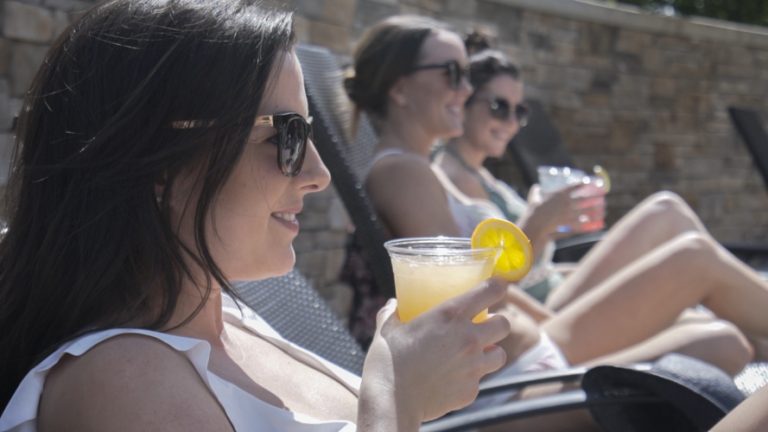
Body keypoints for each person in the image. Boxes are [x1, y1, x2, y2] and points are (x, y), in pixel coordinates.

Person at [0, 2, 519, 430]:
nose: (319, 173)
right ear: (158, 161)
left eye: (311, 133)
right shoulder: (121, 381)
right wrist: (394, 396)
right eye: (286, 135)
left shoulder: (223, 315)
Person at [345, 14, 764, 376]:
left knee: (721, 331)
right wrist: (536, 230)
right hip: (515, 359)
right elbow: (466, 300)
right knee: (697, 274)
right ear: (400, 91)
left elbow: (486, 291)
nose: (465, 90)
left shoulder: (417, 169)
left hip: (528, 337)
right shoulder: (401, 171)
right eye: (452, 75)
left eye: (467, 76)